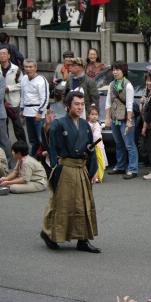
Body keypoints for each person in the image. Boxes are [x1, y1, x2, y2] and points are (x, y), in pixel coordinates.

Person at [40, 91, 100, 253]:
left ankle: (83, 239)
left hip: (81, 169)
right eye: (76, 104)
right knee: (61, 204)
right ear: (67, 106)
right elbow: (49, 138)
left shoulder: (85, 125)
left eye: (82, 104)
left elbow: (91, 150)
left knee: (83, 205)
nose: (80, 107)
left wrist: (92, 170)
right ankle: (50, 234)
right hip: (65, 167)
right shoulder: (59, 124)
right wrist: (47, 126)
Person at [105, 60, 138, 179]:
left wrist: (129, 121)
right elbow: (108, 102)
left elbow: (129, 104)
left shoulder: (128, 85)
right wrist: (107, 118)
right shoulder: (111, 84)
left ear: (123, 71)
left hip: (125, 118)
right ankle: (120, 166)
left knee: (129, 144)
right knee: (119, 144)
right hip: (115, 118)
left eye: (117, 70)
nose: (115, 72)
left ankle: (133, 169)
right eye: (113, 70)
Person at [20, 59, 50, 157]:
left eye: (31, 67)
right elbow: (23, 94)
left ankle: (42, 157)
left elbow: (45, 98)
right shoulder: (24, 78)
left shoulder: (41, 80)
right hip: (27, 111)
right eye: (26, 67)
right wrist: (22, 108)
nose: (28, 69)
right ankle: (34, 157)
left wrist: (40, 112)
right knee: (32, 139)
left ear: (35, 68)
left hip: (37, 111)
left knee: (40, 138)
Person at [0, 47, 26, 142]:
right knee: (3, 126)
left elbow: (22, 84)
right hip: (1, 102)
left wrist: (9, 88)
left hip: (14, 101)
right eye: (0, 54)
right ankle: (5, 147)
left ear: (9, 55)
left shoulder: (16, 69)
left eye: (4, 54)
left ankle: (22, 146)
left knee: (18, 126)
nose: (2, 56)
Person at [87, 105, 108, 183]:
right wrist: (91, 131)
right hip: (92, 145)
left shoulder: (98, 124)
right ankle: (93, 175)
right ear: (88, 115)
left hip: (99, 145)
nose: (94, 116)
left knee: (99, 160)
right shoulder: (88, 124)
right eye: (92, 114)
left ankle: (98, 175)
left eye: (96, 114)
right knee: (93, 160)